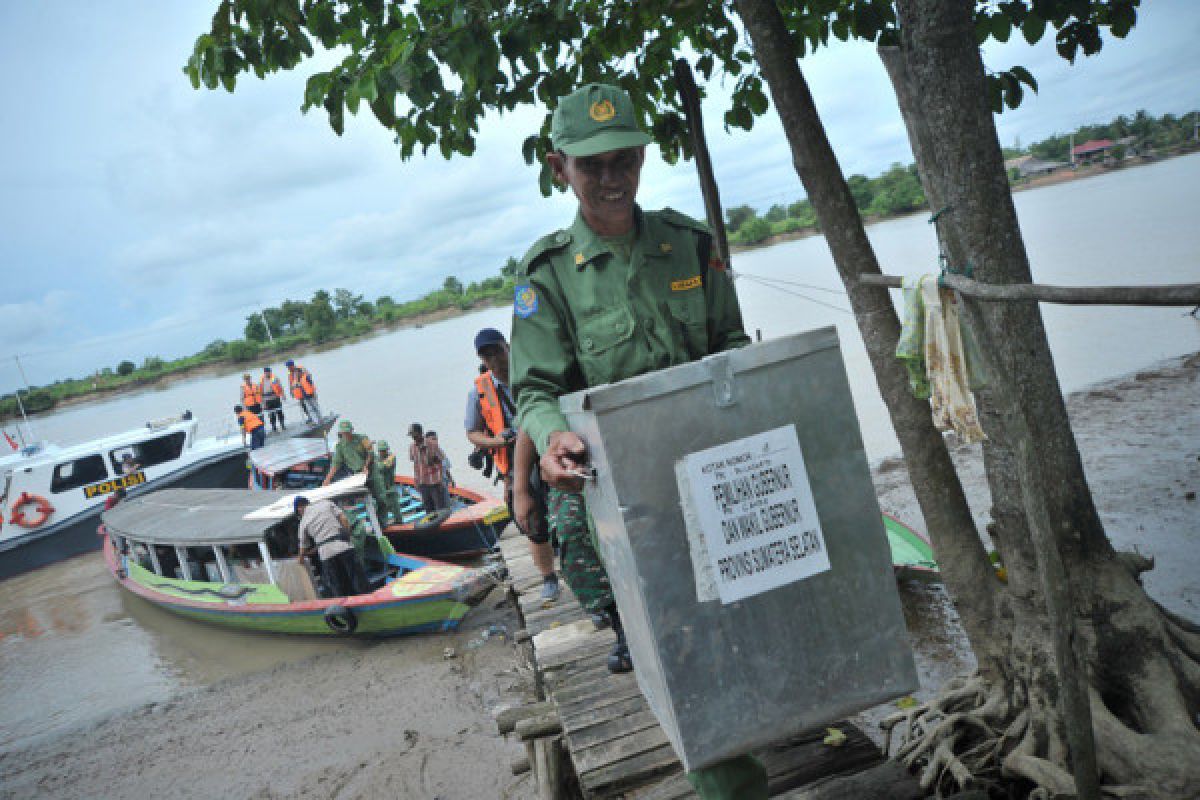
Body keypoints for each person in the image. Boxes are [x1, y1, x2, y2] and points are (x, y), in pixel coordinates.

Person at [509, 83, 763, 799]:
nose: (612, 177)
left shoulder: (688, 244)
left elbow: (730, 343)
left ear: (645, 157)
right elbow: (534, 389)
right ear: (560, 167)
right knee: (684, 650)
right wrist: (551, 437)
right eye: (592, 166)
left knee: (739, 629)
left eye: (625, 159)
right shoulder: (547, 275)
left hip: (714, 476)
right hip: (624, 499)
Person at [466, 328, 560, 604]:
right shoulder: (479, 393)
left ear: (508, 346)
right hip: (514, 463)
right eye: (487, 355)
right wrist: (496, 440)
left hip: (548, 450)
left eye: (497, 350)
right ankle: (549, 577)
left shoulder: (531, 372)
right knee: (530, 521)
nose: (494, 359)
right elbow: (472, 433)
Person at [294, 496, 368, 598]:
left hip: (327, 555)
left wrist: (301, 559)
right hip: (344, 547)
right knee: (358, 579)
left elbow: (302, 546)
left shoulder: (303, 523)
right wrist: (347, 534)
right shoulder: (326, 503)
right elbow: (344, 519)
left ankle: (345, 610)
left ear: (299, 508)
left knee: (338, 586)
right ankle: (368, 603)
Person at [408, 423, 447, 512]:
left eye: (415, 435)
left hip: (435, 483)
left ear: (420, 433)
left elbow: (442, 462)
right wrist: (416, 481)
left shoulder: (432, 445)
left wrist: (441, 480)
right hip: (423, 483)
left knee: (441, 509)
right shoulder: (412, 447)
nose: (413, 438)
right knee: (429, 510)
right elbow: (416, 465)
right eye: (412, 435)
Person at [373, 440, 402, 522]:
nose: (382, 452)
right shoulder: (376, 459)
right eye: (381, 451)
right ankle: (382, 524)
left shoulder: (392, 457)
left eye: (384, 450)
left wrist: (373, 463)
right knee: (381, 510)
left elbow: (381, 467)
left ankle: (399, 522)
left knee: (396, 510)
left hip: (390, 488)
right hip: (380, 489)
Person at [285, 359, 321, 424]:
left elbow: (309, 379)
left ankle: (318, 418)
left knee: (314, 406)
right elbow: (290, 383)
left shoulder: (301, 369)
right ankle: (311, 418)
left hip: (307, 392)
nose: (288, 368)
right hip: (299, 393)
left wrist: (314, 392)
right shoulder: (289, 374)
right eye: (287, 367)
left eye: (289, 366)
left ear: (292, 365)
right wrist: (291, 392)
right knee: (305, 407)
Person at [259, 366, 286, 432]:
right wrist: (262, 402)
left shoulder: (275, 378)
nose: (267, 373)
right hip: (267, 399)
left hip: (275, 398)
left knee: (279, 412)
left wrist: (283, 395)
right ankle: (274, 426)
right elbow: (260, 391)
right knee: (271, 414)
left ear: (270, 372)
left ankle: (282, 424)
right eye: (266, 372)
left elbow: (280, 386)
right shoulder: (262, 379)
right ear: (264, 373)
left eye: (268, 372)